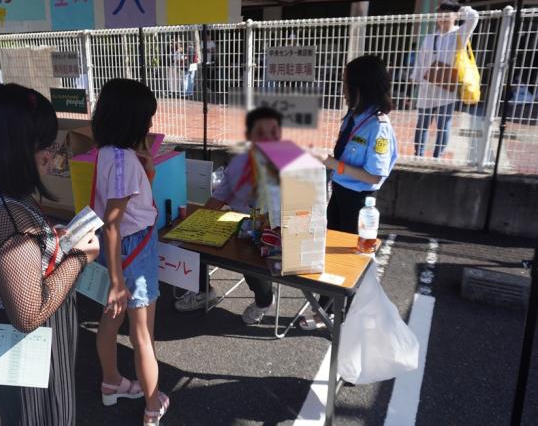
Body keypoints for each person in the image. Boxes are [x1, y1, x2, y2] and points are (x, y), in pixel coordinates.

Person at [0, 83, 98, 425]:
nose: (52, 156)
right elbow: (28, 314)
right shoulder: (8, 221)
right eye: (46, 146)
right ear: (15, 151)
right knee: (41, 416)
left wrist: (51, 242)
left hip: (12, 337)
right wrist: (79, 258)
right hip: (32, 346)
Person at [299, 54, 398, 330]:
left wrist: (332, 163)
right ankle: (327, 311)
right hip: (340, 193)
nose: (342, 87)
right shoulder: (355, 117)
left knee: (350, 261)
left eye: (346, 82)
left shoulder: (378, 126)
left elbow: (374, 174)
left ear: (360, 86)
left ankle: (346, 317)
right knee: (330, 254)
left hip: (359, 203)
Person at [91, 79, 169, 426]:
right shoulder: (123, 161)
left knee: (110, 319)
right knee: (143, 335)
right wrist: (118, 280)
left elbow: (125, 204)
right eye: (146, 118)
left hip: (117, 247)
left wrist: (146, 164)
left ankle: (112, 382)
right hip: (132, 249)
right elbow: (113, 222)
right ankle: (153, 405)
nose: (150, 125)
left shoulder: (109, 153)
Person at [174, 107, 282, 326]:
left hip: (273, 230)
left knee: (252, 260)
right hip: (238, 223)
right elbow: (219, 198)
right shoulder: (239, 163)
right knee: (192, 240)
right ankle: (204, 291)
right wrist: (196, 224)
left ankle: (264, 301)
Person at [411, 0, 479, 158]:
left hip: (447, 89)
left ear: (455, 16)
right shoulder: (429, 38)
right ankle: (418, 155)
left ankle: (437, 157)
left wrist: (459, 7)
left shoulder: (459, 34)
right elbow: (421, 61)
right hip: (426, 88)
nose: (442, 17)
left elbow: (474, 16)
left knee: (443, 125)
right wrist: (416, 81)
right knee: (422, 124)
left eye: (447, 13)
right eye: (440, 13)